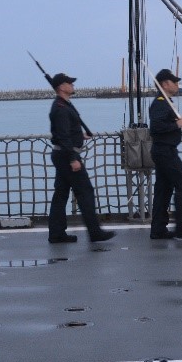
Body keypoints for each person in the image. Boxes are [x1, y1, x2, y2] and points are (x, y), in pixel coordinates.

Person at [46, 73, 113, 244]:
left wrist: (79, 136)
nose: (73, 85)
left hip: (62, 153)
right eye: (69, 83)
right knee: (85, 192)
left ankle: (56, 233)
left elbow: (67, 132)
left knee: (61, 194)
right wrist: (73, 158)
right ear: (61, 87)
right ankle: (94, 232)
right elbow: (62, 135)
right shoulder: (61, 108)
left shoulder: (63, 105)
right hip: (66, 155)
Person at [148, 69, 182, 241]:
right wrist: (177, 124)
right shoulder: (160, 103)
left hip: (164, 151)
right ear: (165, 84)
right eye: (175, 82)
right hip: (165, 151)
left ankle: (158, 229)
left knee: (163, 190)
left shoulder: (165, 102)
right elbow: (156, 127)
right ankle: (181, 228)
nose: (177, 85)